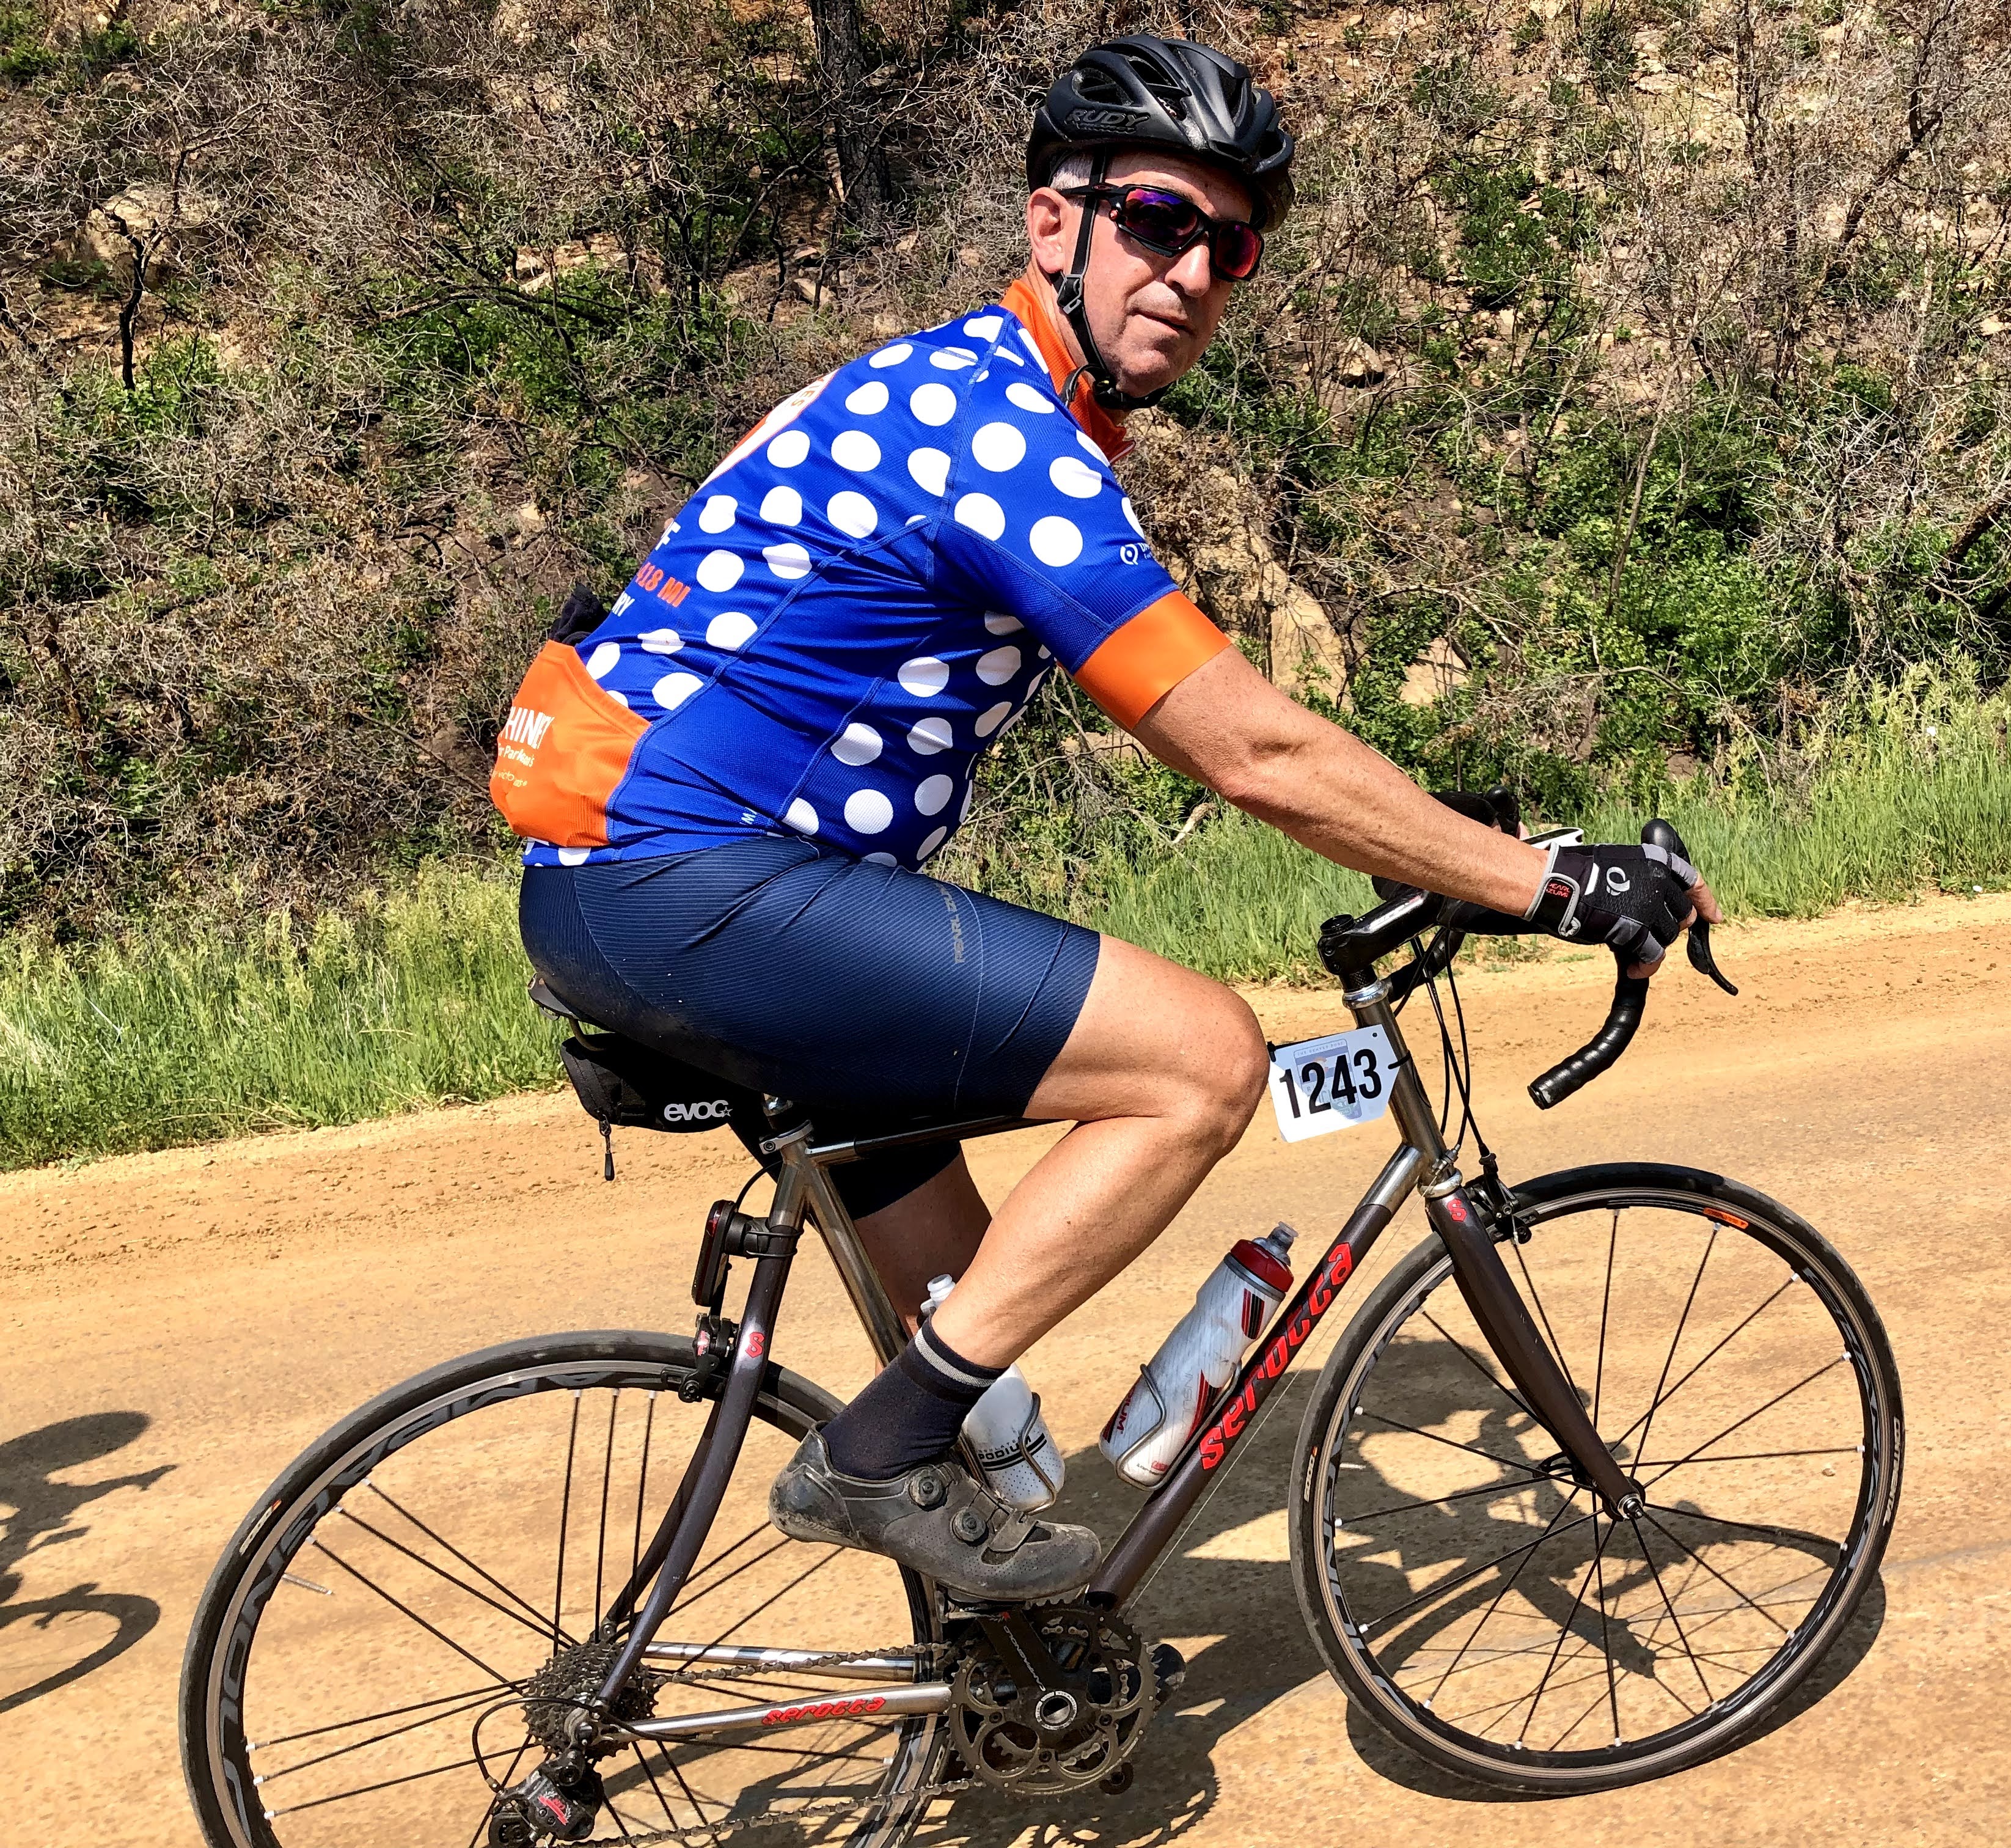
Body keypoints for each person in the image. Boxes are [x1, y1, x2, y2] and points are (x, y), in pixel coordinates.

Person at [492, 35, 1719, 1601]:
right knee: (1202, 1062)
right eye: (1155, 220)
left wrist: (1426, 832)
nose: (1192, 271)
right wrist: (1536, 880)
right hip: (693, 881)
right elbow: (1248, 750)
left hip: (636, 881)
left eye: (1230, 247)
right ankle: (871, 1460)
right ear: (1051, 223)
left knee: (981, 1385)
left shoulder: (941, 388)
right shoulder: (994, 434)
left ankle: (1000, 1639)